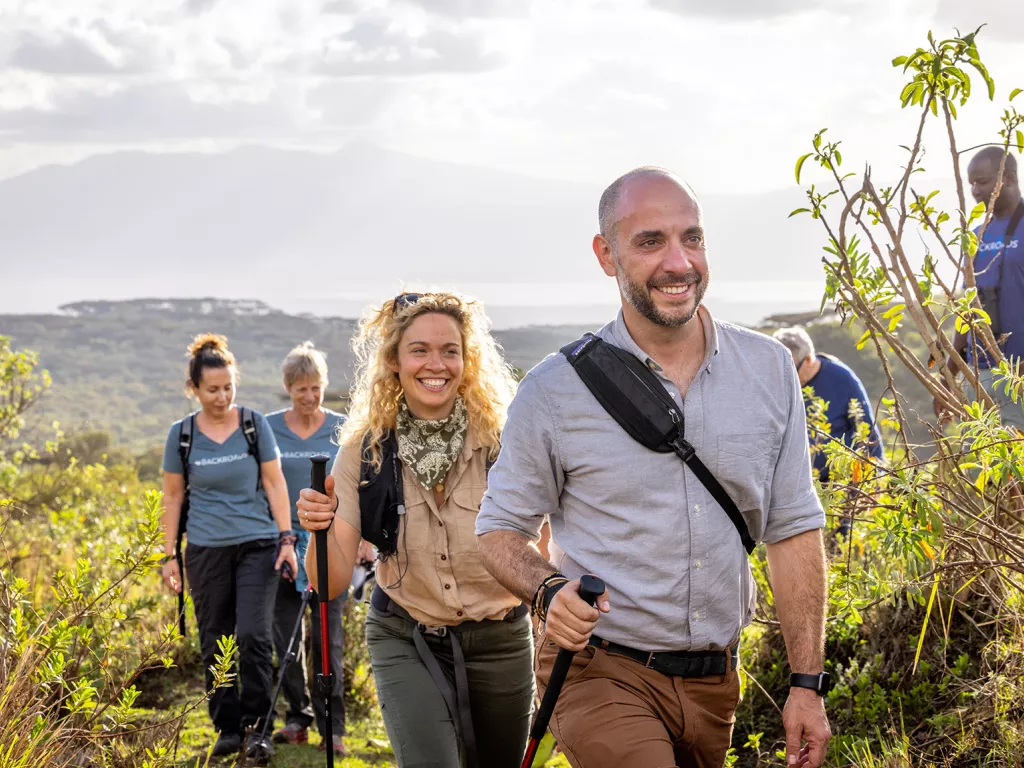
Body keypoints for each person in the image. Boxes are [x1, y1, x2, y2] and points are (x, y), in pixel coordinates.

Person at [476, 167, 833, 768]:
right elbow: (498, 531)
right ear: (606, 255)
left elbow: (793, 530)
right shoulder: (554, 391)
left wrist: (806, 686)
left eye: (691, 238)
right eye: (650, 242)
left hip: (715, 682)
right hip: (599, 669)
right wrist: (548, 590)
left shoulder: (770, 370)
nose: (679, 262)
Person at [296, 291, 535, 768]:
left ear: (468, 361)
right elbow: (331, 584)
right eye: (419, 350)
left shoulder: (506, 443)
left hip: (501, 639)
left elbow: (542, 546)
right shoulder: (363, 453)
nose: (437, 364)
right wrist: (316, 529)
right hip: (406, 635)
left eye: (450, 350)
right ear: (395, 362)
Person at [160, 334, 297, 763]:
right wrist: (169, 556)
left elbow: (276, 484)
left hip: (259, 546)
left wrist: (288, 538)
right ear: (194, 389)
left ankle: (259, 727)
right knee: (215, 639)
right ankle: (227, 727)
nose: (222, 396)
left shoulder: (254, 426)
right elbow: (173, 497)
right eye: (212, 389)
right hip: (205, 550)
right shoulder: (181, 436)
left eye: (228, 387)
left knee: (254, 635)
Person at [265, 342, 350, 756]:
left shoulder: (340, 426)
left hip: (328, 545)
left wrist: (363, 542)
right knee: (286, 639)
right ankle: (297, 719)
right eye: (301, 389)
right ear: (288, 388)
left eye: (316, 388)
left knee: (327, 640)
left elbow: (355, 487)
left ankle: (332, 726)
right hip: (283, 546)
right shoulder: (268, 428)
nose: (310, 396)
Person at [935, 147, 1024, 431]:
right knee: (985, 470)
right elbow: (969, 307)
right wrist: (949, 373)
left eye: (982, 182)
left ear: (1008, 179)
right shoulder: (975, 236)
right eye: (971, 183)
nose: (975, 190)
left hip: (1018, 374)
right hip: (981, 373)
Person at [772, 326, 884, 486]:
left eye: (791, 370)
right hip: (794, 484)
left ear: (809, 360)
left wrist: (873, 482)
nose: (784, 377)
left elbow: (867, 432)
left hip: (839, 483)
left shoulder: (842, 379)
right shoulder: (776, 383)